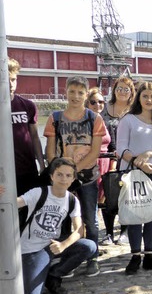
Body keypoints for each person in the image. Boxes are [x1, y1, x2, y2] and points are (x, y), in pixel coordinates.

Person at [0, 158, 96, 294]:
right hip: (31, 249)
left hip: (52, 244)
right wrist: (3, 196)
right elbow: (14, 203)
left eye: (68, 175)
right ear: (52, 176)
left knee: (89, 246)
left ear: (73, 179)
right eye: (59, 174)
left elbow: (79, 230)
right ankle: (40, 274)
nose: (63, 179)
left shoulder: (72, 200)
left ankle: (54, 274)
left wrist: (63, 245)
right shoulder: (39, 193)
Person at [44, 76, 106, 277]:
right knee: (61, 217)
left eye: (80, 92)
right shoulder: (55, 118)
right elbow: (51, 151)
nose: (76, 96)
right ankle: (66, 257)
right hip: (62, 178)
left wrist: (74, 171)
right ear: (66, 92)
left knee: (90, 217)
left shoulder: (94, 119)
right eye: (72, 91)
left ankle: (92, 257)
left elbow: (95, 152)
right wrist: (61, 172)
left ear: (86, 94)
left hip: (86, 176)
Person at [116, 81, 152, 274]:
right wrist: (138, 162)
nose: (149, 100)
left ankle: (150, 254)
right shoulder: (128, 120)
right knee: (134, 214)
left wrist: (148, 154)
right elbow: (120, 148)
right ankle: (135, 255)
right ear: (138, 98)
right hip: (132, 172)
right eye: (145, 96)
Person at [101, 76, 136, 245]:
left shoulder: (134, 111)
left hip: (126, 159)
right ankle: (108, 233)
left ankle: (125, 231)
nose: (122, 92)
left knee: (125, 195)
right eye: (119, 88)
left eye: (126, 89)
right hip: (105, 159)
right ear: (114, 91)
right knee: (108, 196)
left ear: (131, 93)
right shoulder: (105, 109)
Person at [8, 58, 45, 197]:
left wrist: (41, 164)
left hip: (27, 169)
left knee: (28, 211)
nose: (11, 84)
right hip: (4, 173)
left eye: (13, 79)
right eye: (6, 79)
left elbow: (35, 136)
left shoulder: (27, 105)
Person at [85, 88, 113, 241]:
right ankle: (88, 241)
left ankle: (96, 237)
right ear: (87, 103)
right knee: (89, 206)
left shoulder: (102, 120)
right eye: (93, 102)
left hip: (105, 165)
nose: (98, 105)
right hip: (91, 165)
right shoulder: (85, 121)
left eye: (101, 102)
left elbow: (111, 144)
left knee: (101, 203)